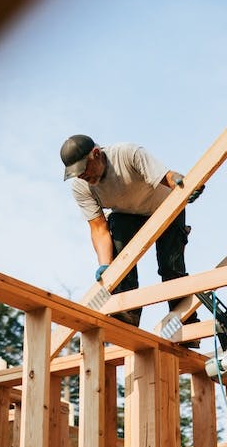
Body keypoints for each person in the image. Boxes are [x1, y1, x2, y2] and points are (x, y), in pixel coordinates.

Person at [60, 134, 202, 333]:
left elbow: (167, 176)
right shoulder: (81, 187)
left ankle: (186, 324)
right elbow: (99, 227)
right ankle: (126, 313)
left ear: (96, 154)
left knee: (170, 267)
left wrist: (185, 184)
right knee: (117, 233)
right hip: (128, 216)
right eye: (77, 173)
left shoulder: (127, 154)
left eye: (84, 169)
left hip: (165, 207)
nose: (82, 176)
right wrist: (106, 265)